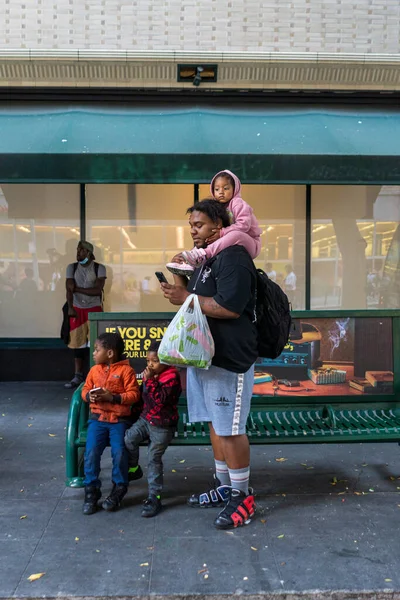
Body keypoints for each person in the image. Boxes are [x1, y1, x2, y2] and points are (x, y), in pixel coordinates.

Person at [161, 199, 258, 530]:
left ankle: (242, 497)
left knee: (230, 428)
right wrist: (180, 282)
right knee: (216, 425)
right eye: (191, 226)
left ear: (219, 225)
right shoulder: (209, 259)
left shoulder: (235, 259)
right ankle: (224, 487)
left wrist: (186, 298)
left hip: (230, 360)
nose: (193, 231)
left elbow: (229, 307)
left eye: (199, 225)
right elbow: (198, 300)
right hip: (206, 358)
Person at [81, 332, 141, 515]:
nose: (93, 353)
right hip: (98, 420)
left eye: (97, 349)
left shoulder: (126, 371)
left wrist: (113, 397)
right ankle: (91, 491)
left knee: (119, 452)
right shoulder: (94, 370)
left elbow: (134, 395)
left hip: (118, 420)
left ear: (110, 353)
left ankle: (119, 488)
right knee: (91, 452)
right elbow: (85, 389)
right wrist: (88, 395)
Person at [124, 341, 182, 518]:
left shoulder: (171, 378)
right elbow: (144, 399)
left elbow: (160, 400)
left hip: (162, 425)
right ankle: (134, 469)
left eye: (155, 361)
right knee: (129, 439)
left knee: (153, 458)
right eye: (148, 360)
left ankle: (154, 497)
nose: (150, 364)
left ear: (167, 361)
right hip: (145, 419)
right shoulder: (152, 375)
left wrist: (149, 381)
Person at [166, 170, 262, 275]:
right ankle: (189, 262)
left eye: (226, 188)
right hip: (230, 239)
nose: (221, 192)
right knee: (208, 238)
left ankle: (202, 254)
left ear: (235, 189)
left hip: (251, 242)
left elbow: (244, 225)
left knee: (236, 235)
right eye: (217, 189)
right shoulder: (220, 206)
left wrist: (222, 232)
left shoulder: (238, 203)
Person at [64, 241, 107, 389]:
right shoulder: (72, 267)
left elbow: (97, 290)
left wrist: (76, 288)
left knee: (95, 343)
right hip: (77, 308)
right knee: (78, 343)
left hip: (94, 308)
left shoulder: (99, 268)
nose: (78, 253)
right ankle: (78, 375)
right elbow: (68, 289)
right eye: (77, 250)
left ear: (89, 252)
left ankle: (95, 375)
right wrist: (70, 307)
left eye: (81, 250)